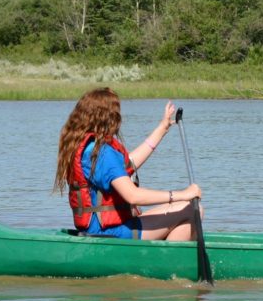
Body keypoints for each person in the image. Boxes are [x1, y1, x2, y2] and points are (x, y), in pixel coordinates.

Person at [53, 87, 201, 240]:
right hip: (113, 232)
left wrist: (162, 128)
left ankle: (163, 255)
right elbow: (132, 196)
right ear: (109, 117)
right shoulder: (102, 153)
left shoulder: (89, 149)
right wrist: (183, 194)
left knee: (185, 209)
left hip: (100, 229)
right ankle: (165, 261)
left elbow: (129, 164)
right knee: (191, 210)